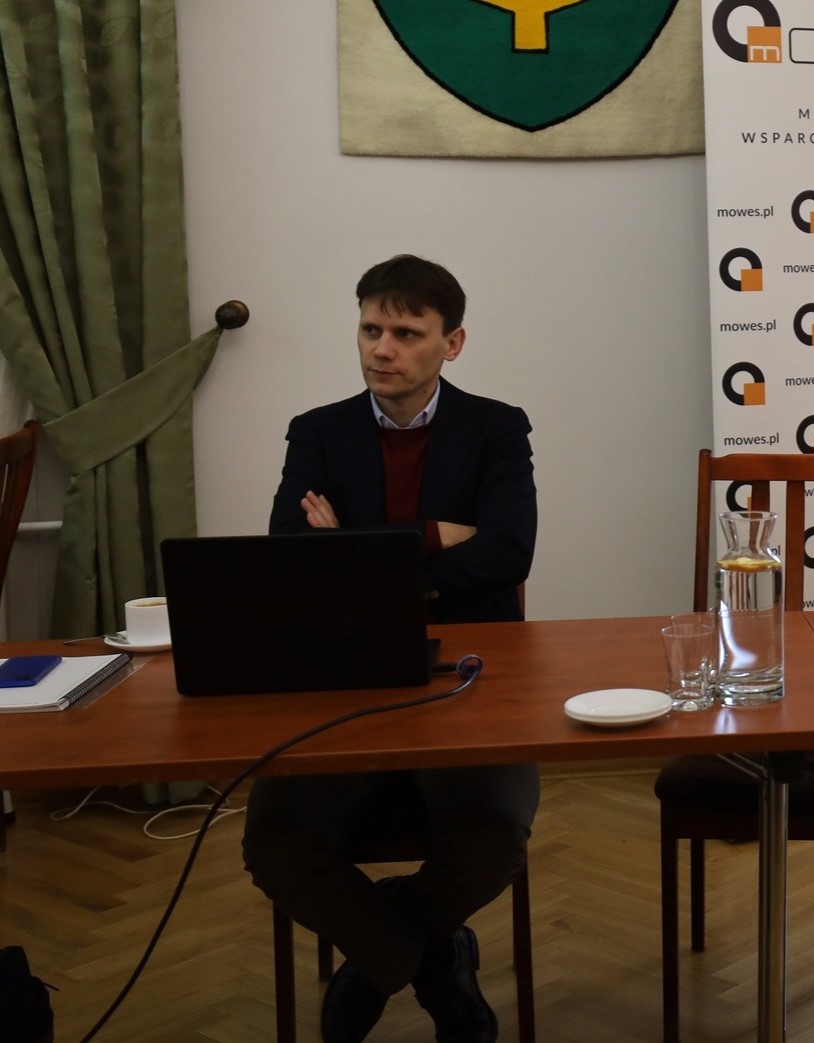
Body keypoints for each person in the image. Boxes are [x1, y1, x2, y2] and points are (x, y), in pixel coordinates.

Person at [241, 254, 540, 1043]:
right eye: (371, 328)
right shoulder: (318, 431)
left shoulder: (496, 426)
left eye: (407, 333)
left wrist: (360, 552)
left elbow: (509, 551)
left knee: (493, 831)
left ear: (452, 343)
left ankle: (376, 957)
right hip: (346, 674)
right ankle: (424, 956)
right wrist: (435, 536)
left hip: (472, 674)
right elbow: (290, 552)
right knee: (275, 839)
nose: (383, 348)